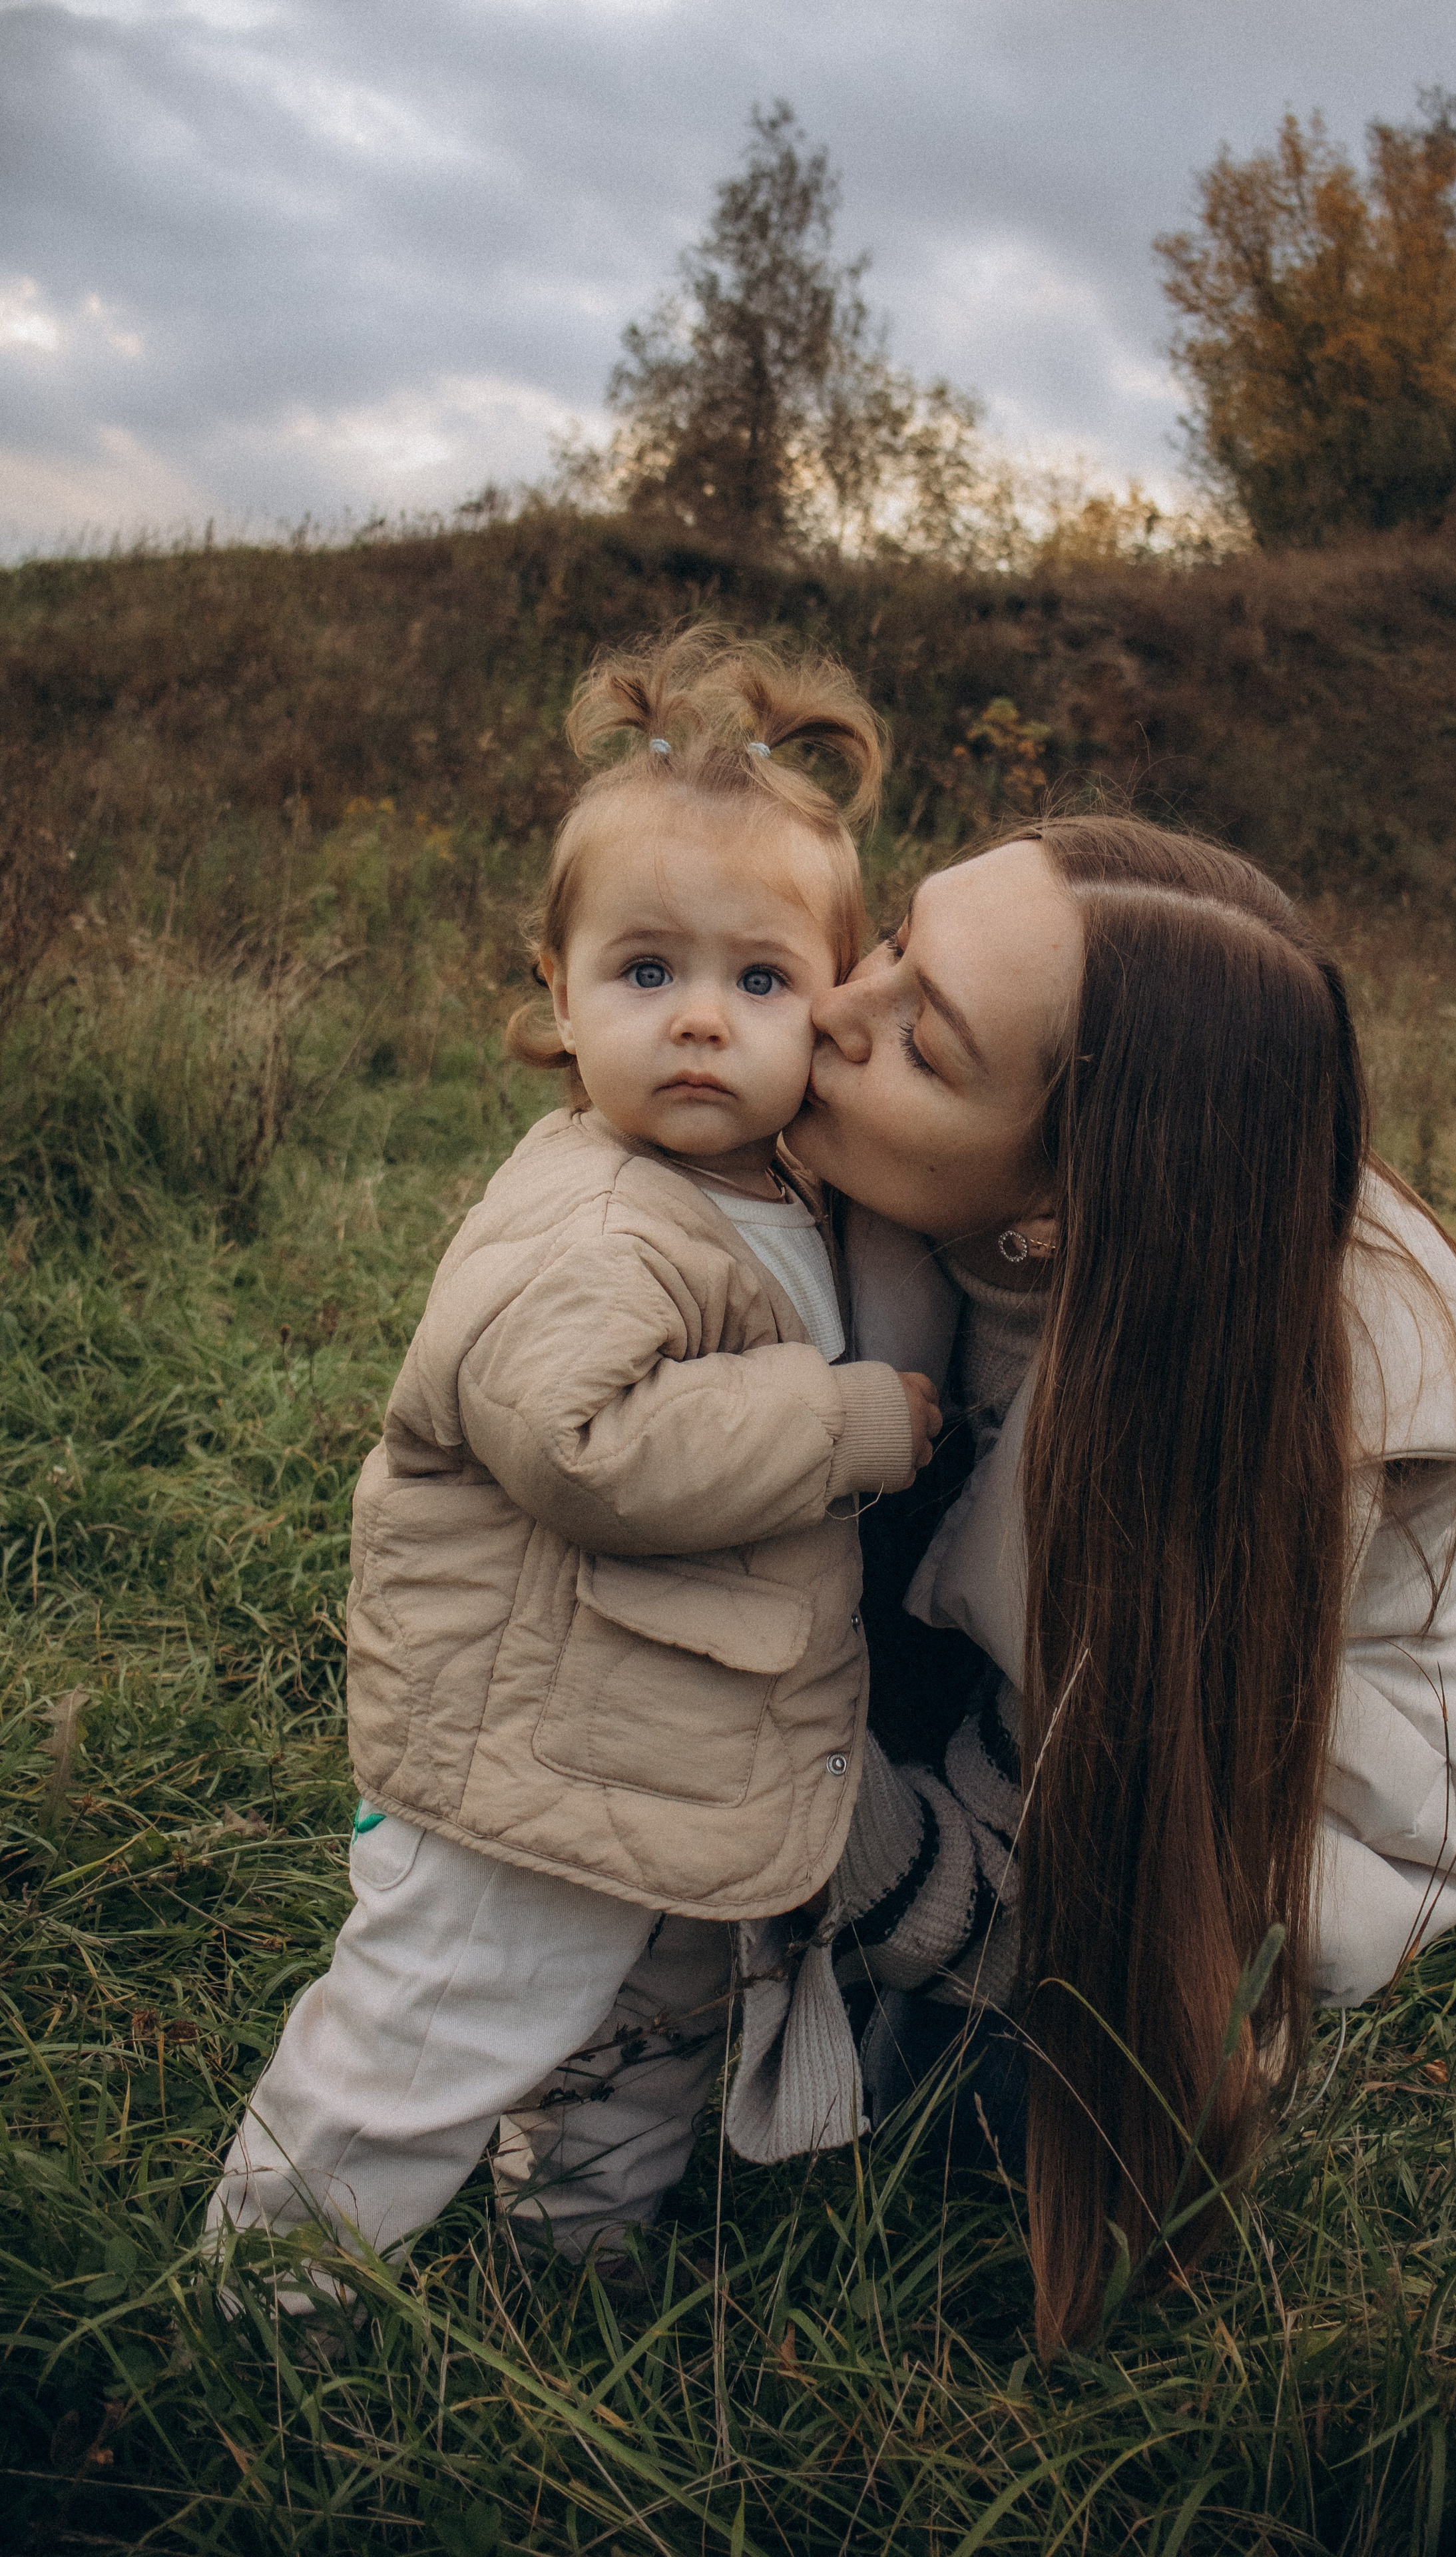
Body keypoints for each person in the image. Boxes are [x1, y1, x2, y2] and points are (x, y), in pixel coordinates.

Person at [204, 631, 942, 2293]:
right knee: (440, 2017)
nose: (699, 1023)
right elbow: (584, 1447)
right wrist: (852, 1425)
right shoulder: (598, 1217)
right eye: (642, 974)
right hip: (530, 1751)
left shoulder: (776, 1189)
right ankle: (263, 2299)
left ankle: (582, 2267)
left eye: (758, 982)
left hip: (661, 1736)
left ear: (832, 1004)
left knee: (649, 2022)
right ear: (555, 988)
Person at [722, 812, 1456, 2355]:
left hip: (1192, 1886)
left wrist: (781, 1799)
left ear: (1061, 1205)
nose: (829, 1008)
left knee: (966, 2124)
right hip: (1003, 1696)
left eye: (923, 1045)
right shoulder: (917, 1171)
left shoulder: (1281, 1391)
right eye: (892, 944)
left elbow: (1101, 1881)